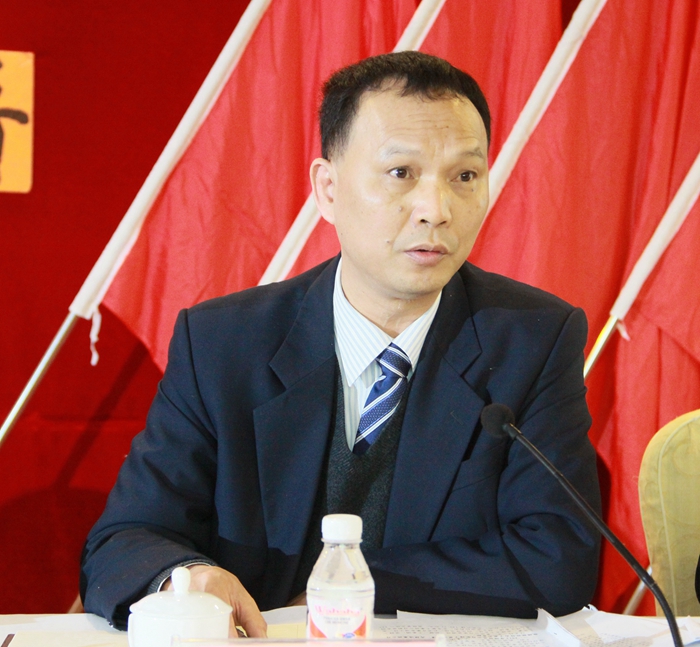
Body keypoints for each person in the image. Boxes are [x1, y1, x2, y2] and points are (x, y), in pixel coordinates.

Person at [80, 51, 601, 634]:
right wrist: (185, 576)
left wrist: (345, 587)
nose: (436, 211)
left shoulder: (531, 340)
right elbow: (125, 540)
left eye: (465, 177)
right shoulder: (223, 344)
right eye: (401, 173)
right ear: (327, 189)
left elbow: (560, 556)